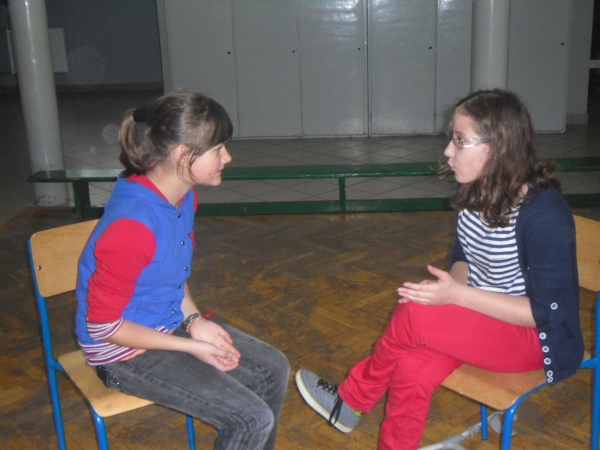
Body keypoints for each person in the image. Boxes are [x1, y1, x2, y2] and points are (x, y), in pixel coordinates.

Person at [295, 89, 584, 450]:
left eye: (460, 141)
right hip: (482, 318)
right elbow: (464, 254)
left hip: (536, 339)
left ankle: (352, 399)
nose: (448, 150)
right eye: (451, 138)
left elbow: (548, 314)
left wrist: (456, 297)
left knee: (414, 313)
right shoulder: (479, 189)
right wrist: (448, 293)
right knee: (410, 368)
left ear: (498, 147)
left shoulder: (544, 215)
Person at [75, 92, 290, 450]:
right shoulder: (132, 226)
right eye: (218, 149)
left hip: (164, 321)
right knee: (250, 418)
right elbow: (103, 327)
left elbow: (171, 272)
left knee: (273, 369)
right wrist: (189, 346)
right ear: (181, 154)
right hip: (120, 351)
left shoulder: (182, 194)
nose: (227, 157)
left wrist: (194, 321)